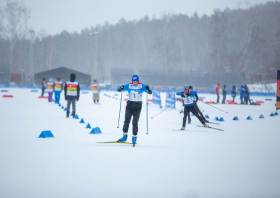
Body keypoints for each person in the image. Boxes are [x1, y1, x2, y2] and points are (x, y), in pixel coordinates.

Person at [117, 75, 152, 144]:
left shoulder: (142, 86)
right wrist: (120, 88)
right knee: (127, 120)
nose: (134, 83)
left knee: (135, 122)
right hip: (129, 105)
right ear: (132, 81)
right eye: (133, 81)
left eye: (136, 82)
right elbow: (120, 88)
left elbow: (150, 92)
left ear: (138, 81)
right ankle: (124, 135)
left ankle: (134, 137)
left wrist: (148, 89)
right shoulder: (129, 85)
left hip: (137, 106)